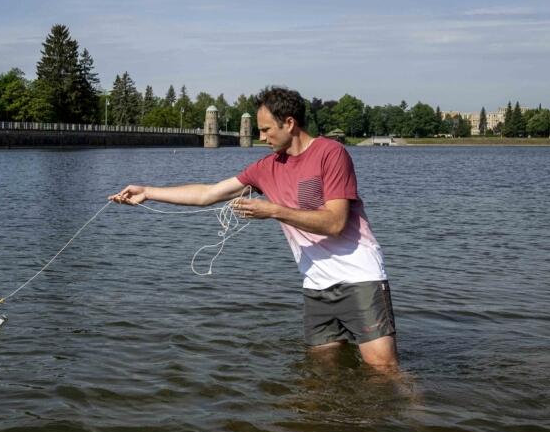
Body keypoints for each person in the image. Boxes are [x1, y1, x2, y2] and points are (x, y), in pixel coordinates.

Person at [109, 86, 398, 369]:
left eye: (266, 130)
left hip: (360, 277)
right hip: (315, 284)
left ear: (289, 123)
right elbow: (207, 194)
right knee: (321, 373)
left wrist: (273, 211)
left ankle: (412, 414)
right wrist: (148, 191)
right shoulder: (265, 168)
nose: (260, 138)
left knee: (384, 371)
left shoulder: (331, 153)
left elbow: (335, 223)